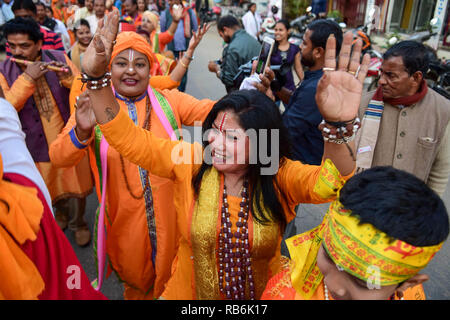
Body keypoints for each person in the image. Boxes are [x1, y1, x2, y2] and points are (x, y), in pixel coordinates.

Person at [79, 11, 370, 299]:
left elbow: (332, 184)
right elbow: (127, 138)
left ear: (260, 143)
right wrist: (95, 79)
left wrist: (337, 126)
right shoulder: (192, 161)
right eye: (214, 131)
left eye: (231, 137)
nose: (215, 142)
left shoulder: (275, 172)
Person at [49, 25, 211, 300]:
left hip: (173, 220)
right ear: (109, 69)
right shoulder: (93, 105)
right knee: (136, 287)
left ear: (151, 70)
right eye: (121, 63)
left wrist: (249, 97)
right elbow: (59, 157)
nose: (131, 71)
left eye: (140, 64)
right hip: (124, 224)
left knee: (175, 283)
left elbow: (213, 111)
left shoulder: (169, 101)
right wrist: (82, 131)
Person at [261, 166, 449, 300]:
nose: (335, 285)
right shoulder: (286, 293)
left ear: (408, 283)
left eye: (363, 283)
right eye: (328, 256)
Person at [0, 88, 107, 300]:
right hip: (39, 153)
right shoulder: (18, 202)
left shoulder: (57, 63)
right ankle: (63, 218)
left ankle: (77, 223)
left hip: (48, 146)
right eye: (16, 50)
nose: (131, 70)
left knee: (73, 191)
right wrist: (28, 81)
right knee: (52, 197)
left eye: (140, 65)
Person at [0, 17, 94, 247]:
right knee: (49, 186)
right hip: (35, 145)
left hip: (68, 137)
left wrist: (68, 80)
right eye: (12, 46)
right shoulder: (4, 71)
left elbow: (84, 89)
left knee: (77, 186)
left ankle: (78, 222)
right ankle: (60, 215)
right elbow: (7, 108)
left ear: (39, 44)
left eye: (24, 46)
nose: (17, 51)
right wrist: (27, 79)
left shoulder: (59, 58)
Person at [355, 40, 450, 196]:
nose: (381, 81)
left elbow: (439, 171)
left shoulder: (442, 111)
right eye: (382, 73)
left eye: (391, 76)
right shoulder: (363, 104)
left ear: (416, 77)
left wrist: (429, 209)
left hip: (411, 209)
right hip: (364, 202)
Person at [276, 19, 343, 166]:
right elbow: (297, 102)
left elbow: (283, 133)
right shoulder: (318, 78)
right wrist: (275, 88)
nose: (300, 47)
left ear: (318, 52)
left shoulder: (317, 87)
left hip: (302, 169)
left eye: (305, 43)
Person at [208, 15, 261, 93]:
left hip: (241, 96)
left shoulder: (231, 49)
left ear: (225, 30)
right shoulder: (254, 41)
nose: (223, 39)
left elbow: (228, 80)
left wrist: (216, 69)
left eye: (221, 35)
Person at [160, 0, 198, 92]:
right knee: (172, 72)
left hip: (185, 49)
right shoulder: (166, 13)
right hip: (172, 49)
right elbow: (163, 30)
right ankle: (173, 94)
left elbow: (195, 27)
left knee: (183, 72)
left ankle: (181, 93)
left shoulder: (189, 12)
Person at [269, 19, 302, 95]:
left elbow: (298, 68)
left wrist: (304, 83)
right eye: (276, 30)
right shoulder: (270, 47)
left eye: (281, 30)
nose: (277, 32)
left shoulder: (294, 49)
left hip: (289, 87)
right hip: (273, 87)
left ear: (288, 31)